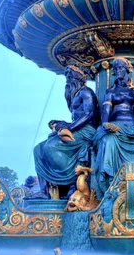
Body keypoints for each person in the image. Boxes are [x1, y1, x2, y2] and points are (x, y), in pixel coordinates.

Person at [34, 65, 99, 198]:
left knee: (52, 146)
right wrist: (60, 124)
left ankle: (69, 183)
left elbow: (89, 114)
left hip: (87, 131)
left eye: (71, 78)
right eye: (67, 78)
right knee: (38, 149)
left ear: (79, 79)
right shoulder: (74, 95)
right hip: (77, 128)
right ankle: (45, 191)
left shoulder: (85, 92)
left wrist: (69, 128)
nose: (68, 81)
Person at [94, 57, 134, 194]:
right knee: (108, 141)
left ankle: (132, 173)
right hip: (116, 124)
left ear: (128, 70)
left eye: (121, 68)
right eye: (115, 69)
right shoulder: (111, 92)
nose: (118, 70)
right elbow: (106, 111)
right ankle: (111, 180)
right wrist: (105, 124)